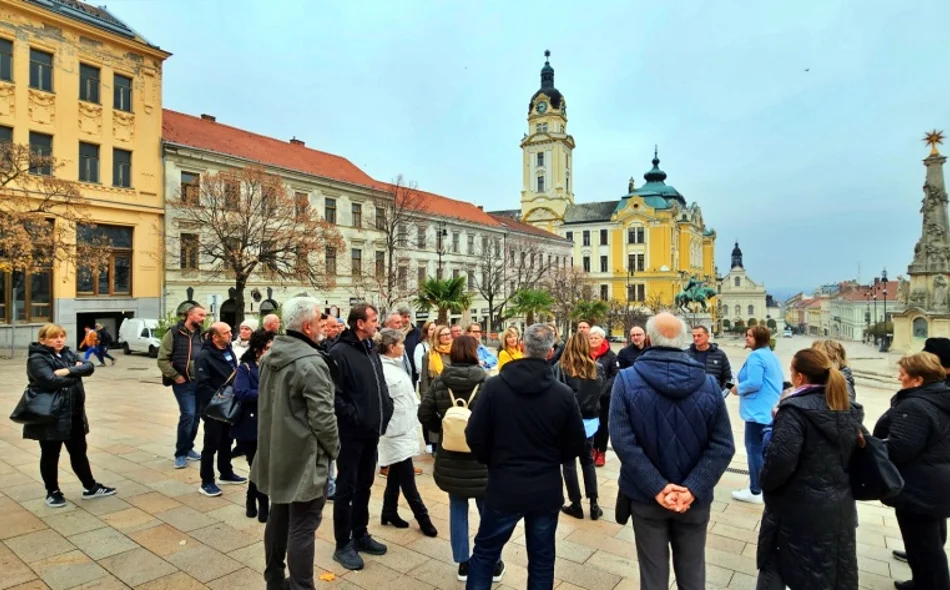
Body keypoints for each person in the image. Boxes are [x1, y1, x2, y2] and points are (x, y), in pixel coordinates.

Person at [610, 313, 735, 590]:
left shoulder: (627, 380)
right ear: (684, 341)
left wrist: (657, 487)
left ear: (650, 338)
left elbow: (622, 441)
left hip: (646, 497)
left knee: (653, 577)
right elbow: (723, 444)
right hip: (693, 501)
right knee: (693, 575)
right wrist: (692, 488)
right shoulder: (708, 384)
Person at [465, 324, 586, 589]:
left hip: (505, 483)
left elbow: (474, 434)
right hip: (544, 486)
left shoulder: (495, 387)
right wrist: (551, 458)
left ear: (522, 347)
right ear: (550, 352)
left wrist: (493, 460)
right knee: (541, 558)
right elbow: (575, 444)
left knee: (485, 554)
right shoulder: (562, 394)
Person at [756, 348, 862, 590]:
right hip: (838, 505)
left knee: (775, 562)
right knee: (827, 569)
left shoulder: (793, 410)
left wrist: (767, 485)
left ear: (799, 377)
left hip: (795, 505)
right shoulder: (845, 406)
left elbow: (779, 462)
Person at [253, 297, 340, 590]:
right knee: (303, 525)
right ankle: (303, 586)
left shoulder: (271, 355)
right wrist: (335, 450)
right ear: (306, 326)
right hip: (304, 457)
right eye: (319, 322)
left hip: (276, 452)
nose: (323, 327)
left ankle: (275, 581)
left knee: (279, 517)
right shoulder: (311, 362)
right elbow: (323, 418)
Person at [418, 335, 494, 582]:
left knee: (457, 507)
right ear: (474, 352)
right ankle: (491, 559)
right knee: (487, 509)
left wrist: (442, 430)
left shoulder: (441, 381)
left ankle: (463, 562)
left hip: (451, 455)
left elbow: (424, 412)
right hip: (482, 457)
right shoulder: (487, 382)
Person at [873, 352, 950, 590]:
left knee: (923, 547)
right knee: (931, 542)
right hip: (937, 482)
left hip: (920, 487)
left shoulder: (915, 405)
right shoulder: (940, 397)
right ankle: (922, 583)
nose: (899, 378)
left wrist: (874, 446)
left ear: (918, 380)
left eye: (903, 374)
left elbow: (900, 448)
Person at [328, 303, 393, 571]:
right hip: (351, 433)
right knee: (346, 487)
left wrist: (386, 408)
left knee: (365, 484)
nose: (377, 324)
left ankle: (360, 533)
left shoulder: (370, 348)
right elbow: (335, 395)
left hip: (371, 432)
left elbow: (379, 385)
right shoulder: (339, 352)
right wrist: (355, 417)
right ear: (359, 323)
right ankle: (342, 544)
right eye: (373, 320)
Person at [24, 323, 116, 507]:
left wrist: (67, 371)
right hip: (51, 415)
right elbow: (50, 381)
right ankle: (53, 492)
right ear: (42, 340)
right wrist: (76, 371)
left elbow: (89, 367)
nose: (59, 340)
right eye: (53, 337)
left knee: (79, 451)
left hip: (73, 413)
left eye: (61, 336)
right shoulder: (37, 358)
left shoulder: (68, 353)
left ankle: (90, 487)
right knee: (50, 454)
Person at [377, 328, 438, 537]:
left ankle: (388, 511)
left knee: (396, 473)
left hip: (404, 427)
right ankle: (423, 517)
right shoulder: (382, 368)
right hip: (394, 431)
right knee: (407, 478)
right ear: (391, 347)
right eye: (401, 344)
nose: (404, 347)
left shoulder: (395, 366)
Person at [729, 325, 784, 504]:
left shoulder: (757, 356)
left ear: (759, 338)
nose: (746, 338)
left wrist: (738, 389)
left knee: (754, 450)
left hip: (757, 411)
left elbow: (754, 382)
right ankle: (762, 488)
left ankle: (755, 490)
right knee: (762, 450)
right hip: (767, 408)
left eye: (750, 336)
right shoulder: (770, 355)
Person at [556, 332, 604, 520]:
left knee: (568, 463)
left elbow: (558, 394)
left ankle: (575, 503)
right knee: (587, 461)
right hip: (590, 421)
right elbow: (600, 392)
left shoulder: (562, 368)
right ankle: (593, 503)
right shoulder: (597, 368)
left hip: (569, 421)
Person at [195, 322, 246, 496]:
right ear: (215, 337)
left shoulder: (228, 350)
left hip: (230, 404)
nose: (231, 334)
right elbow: (202, 384)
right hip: (214, 407)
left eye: (231, 331)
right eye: (226, 333)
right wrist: (219, 400)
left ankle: (226, 472)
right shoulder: (204, 356)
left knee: (227, 440)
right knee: (211, 444)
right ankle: (206, 481)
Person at [158, 304, 207, 469]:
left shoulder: (202, 335)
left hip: (200, 383)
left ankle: (189, 448)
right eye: (201, 315)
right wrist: (175, 376)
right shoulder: (173, 333)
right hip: (183, 383)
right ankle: (180, 454)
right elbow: (162, 359)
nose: (203, 318)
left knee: (196, 418)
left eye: (204, 316)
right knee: (188, 415)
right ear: (190, 315)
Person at [233, 328, 274, 522]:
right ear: (258, 349)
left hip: (271, 425)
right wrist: (266, 394)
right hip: (250, 426)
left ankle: (254, 499)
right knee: (256, 466)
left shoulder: (275, 367)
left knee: (265, 466)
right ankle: (261, 503)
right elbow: (241, 392)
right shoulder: (246, 368)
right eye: (267, 348)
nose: (270, 352)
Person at [589, 326, 619, 467]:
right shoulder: (585, 353)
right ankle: (592, 449)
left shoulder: (610, 355)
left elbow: (615, 375)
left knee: (602, 424)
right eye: (591, 338)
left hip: (604, 397)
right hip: (588, 395)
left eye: (596, 338)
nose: (593, 340)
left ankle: (601, 452)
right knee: (590, 423)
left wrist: (603, 390)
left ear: (602, 339)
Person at [686, 326, 732, 390]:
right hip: (691, 397)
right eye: (694, 336)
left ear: (708, 336)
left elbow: (730, 379)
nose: (696, 338)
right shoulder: (685, 355)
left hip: (714, 397)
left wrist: (722, 394)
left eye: (699, 336)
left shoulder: (720, 354)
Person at [420, 324, 453, 398]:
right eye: (444, 335)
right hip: (436, 394)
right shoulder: (428, 355)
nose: (448, 336)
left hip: (453, 393)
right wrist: (425, 398)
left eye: (448, 333)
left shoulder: (456, 352)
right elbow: (424, 380)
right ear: (437, 337)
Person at [397, 304, 423, 385]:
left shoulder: (416, 332)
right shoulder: (394, 332)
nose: (407, 319)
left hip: (412, 371)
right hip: (398, 369)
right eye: (404, 317)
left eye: (409, 317)